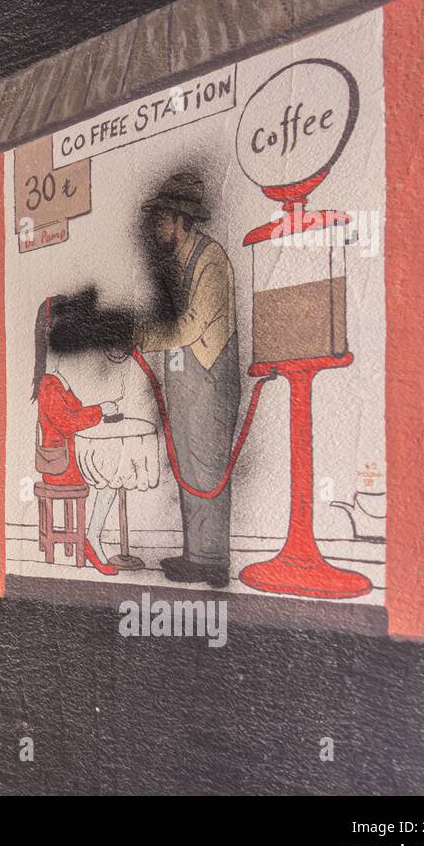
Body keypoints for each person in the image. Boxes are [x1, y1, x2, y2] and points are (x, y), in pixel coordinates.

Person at [136, 173, 238, 588]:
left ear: (181, 220)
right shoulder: (176, 263)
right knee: (186, 465)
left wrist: (143, 337)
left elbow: (191, 325)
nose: (158, 226)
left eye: (163, 218)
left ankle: (213, 558)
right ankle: (195, 554)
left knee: (208, 463)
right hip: (183, 377)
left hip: (210, 375)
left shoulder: (211, 260)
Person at [32, 296, 120, 574]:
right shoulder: (49, 385)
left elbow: (73, 419)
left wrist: (100, 413)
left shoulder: (57, 381)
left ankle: (89, 536)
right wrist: (100, 410)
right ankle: (91, 538)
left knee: (112, 472)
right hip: (62, 467)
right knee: (112, 477)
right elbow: (68, 422)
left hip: (66, 460)